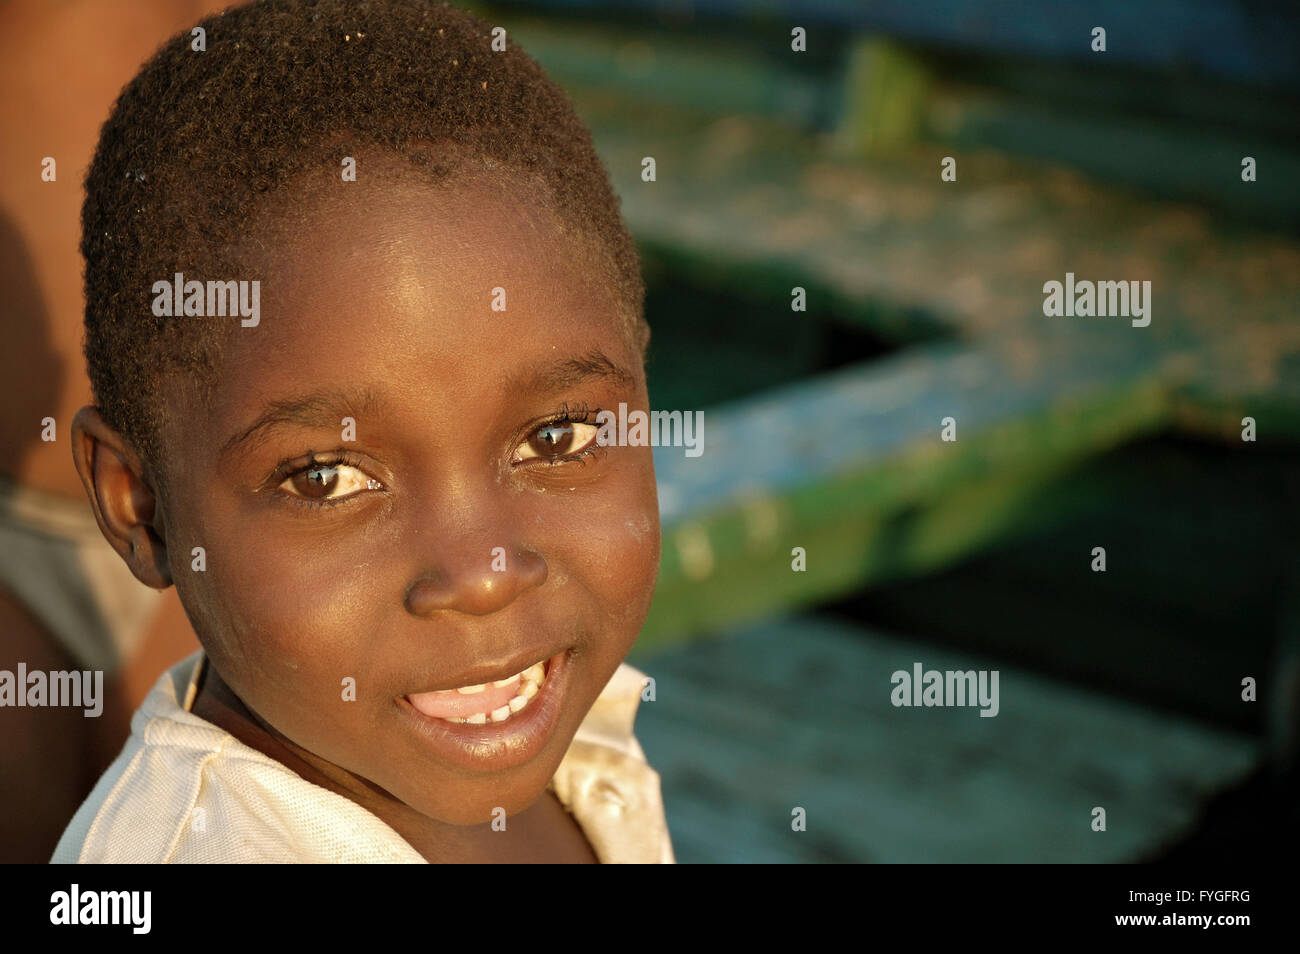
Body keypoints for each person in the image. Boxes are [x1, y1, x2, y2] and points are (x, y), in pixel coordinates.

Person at [51, 0, 673, 863]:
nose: (482, 578)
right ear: (140, 506)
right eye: (324, 478)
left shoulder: (578, 750)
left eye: (557, 437)